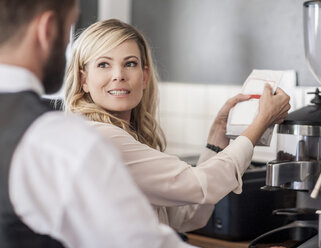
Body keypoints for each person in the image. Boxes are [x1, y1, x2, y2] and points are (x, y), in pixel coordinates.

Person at [0, 1, 197, 247]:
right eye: (70, 26)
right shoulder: (57, 140)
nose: (118, 75)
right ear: (48, 29)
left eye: (130, 63)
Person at [64, 19, 291, 232]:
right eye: (103, 64)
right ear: (84, 80)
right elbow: (201, 186)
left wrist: (216, 138)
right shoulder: (104, 138)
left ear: (144, 77)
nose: (118, 75)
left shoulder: (118, 136)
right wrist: (260, 123)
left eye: (129, 63)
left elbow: (186, 217)